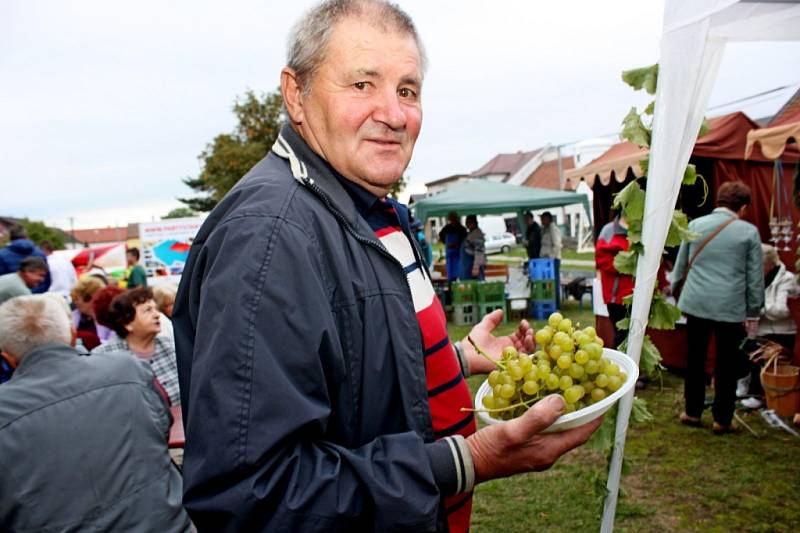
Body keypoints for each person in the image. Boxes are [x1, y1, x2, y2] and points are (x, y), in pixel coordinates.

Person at [173, 2, 599, 530]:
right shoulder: (271, 235)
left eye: (407, 90)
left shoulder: (367, 210)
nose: (395, 115)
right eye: (362, 85)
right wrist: (467, 460)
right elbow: (252, 496)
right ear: (295, 93)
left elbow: (346, 373)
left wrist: (454, 360)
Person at [0, 295, 191, 532]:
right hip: (166, 523)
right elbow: (161, 429)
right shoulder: (127, 369)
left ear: (6, 357)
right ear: (72, 335)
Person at [672, 181, 763, 434]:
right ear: (743, 207)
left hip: (696, 301)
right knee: (727, 363)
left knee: (695, 358)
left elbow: (680, 268)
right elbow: (754, 277)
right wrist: (754, 310)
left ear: (719, 202)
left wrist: (677, 291)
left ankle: (691, 412)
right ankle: (722, 419)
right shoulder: (748, 232)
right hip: (730, 305)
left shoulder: (695, 225)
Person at [93, 287, 181, 406]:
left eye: (155, 309)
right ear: (127, 323)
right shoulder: (103, 357)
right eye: (148, 310)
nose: (157, 315)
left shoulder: (171, 346)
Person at [737, 243, 799, 408]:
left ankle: (757, 393)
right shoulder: (758, 278)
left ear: (769, 264)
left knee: (758, 348)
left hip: (780, 331)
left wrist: (758, 309)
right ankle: (743, 380)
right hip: (760, 328)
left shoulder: (788, 279)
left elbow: (782, 310)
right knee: (736, 339)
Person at [595, 213, 633, 349]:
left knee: (633, 334)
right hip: (616, 296)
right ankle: (621, 366)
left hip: (636, 294)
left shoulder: (642, 230)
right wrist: (625, 265)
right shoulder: (608, 230)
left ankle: (633, 366)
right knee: (621, 334)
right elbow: (601, 259)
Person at [0, 225, 50, 293]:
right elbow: (47, 279)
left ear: (10, 237)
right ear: (26, 236)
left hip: (13, 298)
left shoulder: (2, 254)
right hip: (38, 297)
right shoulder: (40, 253)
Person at [70, 276, 113, 350]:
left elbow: (113, 343)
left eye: (77, 298)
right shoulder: (73, 314)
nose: (75, 302)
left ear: (92, 297)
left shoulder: (109, 317)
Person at [439, 211, 467, 281]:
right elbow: (440, 235)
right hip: (449, 254)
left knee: (459, 271)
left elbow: (465, 239)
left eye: (453, 218)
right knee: (450, 273)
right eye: (450, 218)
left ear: (456, 218)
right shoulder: (446, 227)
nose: (451, 220)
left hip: (459, 254)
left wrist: (457, 244)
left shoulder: (461, 228)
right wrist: (446, 243)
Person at [459, 214, 486, 280]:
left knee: (477, 286)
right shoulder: (471, 233)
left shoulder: (477, 234)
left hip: (473, 266)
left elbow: (479, 251)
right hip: (467, 267)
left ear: (474, 222)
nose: (466, 224)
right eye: (466, 222)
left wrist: (476, 267)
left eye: (468, 222)